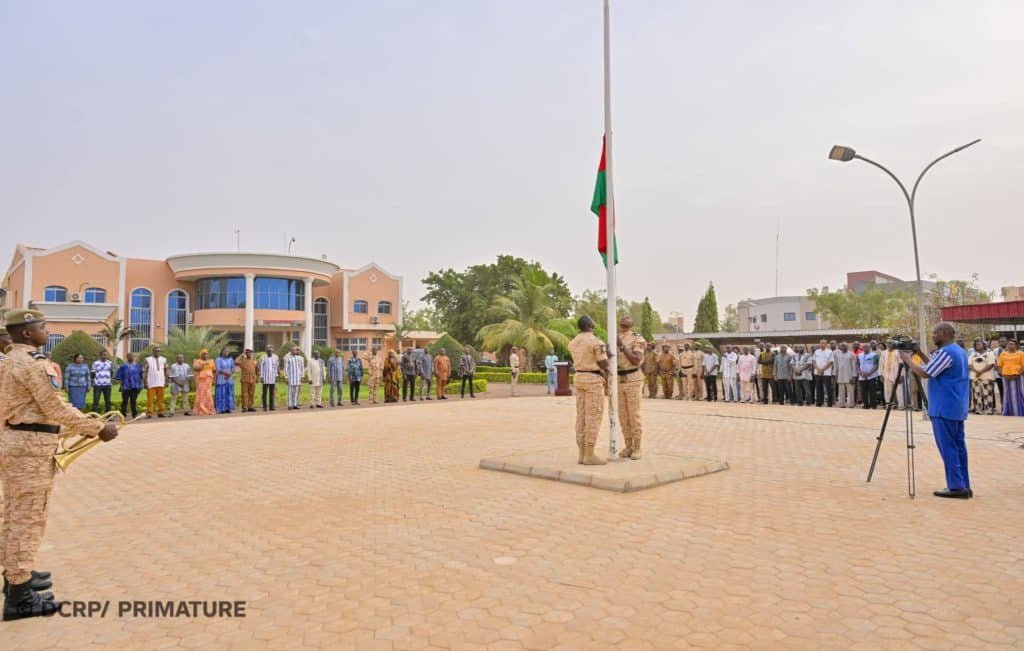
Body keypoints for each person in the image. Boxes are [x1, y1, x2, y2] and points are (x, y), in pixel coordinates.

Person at [0, 309, 119, 620]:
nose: (47, 330)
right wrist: (97, 428)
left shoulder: (10, 360)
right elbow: (55, 407)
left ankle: (16, 579)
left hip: (17, 443)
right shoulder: (32, 364)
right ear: (27, 332)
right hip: (30, 451)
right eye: (42, 326)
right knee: (28, 519)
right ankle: (19, 597)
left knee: (14, 515)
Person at [899, 322, 971, 499]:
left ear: (944, 333)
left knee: (948, 447)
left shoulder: (946, 352)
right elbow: (936, 367)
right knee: (958, 447)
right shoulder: (958, 351)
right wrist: (920, 354)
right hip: (956, 405)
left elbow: (926, 373)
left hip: (943, 407)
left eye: (935, 333)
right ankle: (964, 484)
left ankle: (956, 487)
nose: (933, 337)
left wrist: (908, 360)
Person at [568, 316, 609, 465]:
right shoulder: (596, 342)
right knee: (593, 416)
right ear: (590, 324)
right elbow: (603, 363)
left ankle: (582, 453)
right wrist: (609, 362)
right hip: (593, 379)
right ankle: (589, 454)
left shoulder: (573, 342)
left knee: (581, 416)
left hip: (579, 377)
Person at [615, 316, 646, 460]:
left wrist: (621, 346)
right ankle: (628, 446)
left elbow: (636, 359)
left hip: (633, 378)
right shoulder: (615, 337)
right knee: (623, 415)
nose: (625, 319)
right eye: (623, 318)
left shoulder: (637, 338)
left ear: (631, 324)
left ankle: (637, 447)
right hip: (619, 379)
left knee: (634, 414)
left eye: (628, 318)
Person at [996, 339, 1024, 417]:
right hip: (1006, 377)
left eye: (1012, 344)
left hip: (1018, 377)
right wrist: (1002, 374)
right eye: (1009, 344)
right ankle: (1008, 411)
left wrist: (1017, 375)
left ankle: (1019, 411)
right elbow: (999, 365)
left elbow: (1023, 366)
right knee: (1007, 394)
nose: (1010, 345)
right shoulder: (1003, 354)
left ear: (1016, 345)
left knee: (1019, 393)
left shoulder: (1021, 354)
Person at [968, 339, 996, 416]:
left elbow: (990, 364)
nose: (978, 345)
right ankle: (978, 409)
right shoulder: (972, 354)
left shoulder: (989, 353)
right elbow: (970, 365)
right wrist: (976, 371)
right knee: (976, 394)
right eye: (976, 344)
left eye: (979, 344)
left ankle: (988, 409)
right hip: (975, 377)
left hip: (987, 377)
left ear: (984, 345)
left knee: (987, 394)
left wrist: (980, 372)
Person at [114, 352, 143, 418]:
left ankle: (134, 414)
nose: (131, 357)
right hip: (125, 386)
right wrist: (121, 385)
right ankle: (123, 414)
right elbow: (118, 376)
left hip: (134, 387)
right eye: (130, 356)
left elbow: (141, 375)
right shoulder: (123, 366)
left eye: (133, 356)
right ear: (127, 357)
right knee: (125, 401)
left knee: (133, 401)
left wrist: (140, 385)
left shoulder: (138, 366)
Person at [142, 345, 168, 418]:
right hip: (151, 383)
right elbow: (144, 371)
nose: (157, 352)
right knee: (150, 400)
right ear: (153, 352)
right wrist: (145, 382)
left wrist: (166, 381)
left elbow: (166, 370)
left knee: (161, 399)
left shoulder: (164, 359)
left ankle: (160, 412)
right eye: (156, 351)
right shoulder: (147, 359)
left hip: (161, 382)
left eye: (159, 351)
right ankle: (149, 413)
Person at [834, 343, 859, 408]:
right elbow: (836, 365)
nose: (843, 347)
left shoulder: (852, 354)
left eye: (844, 346)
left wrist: (854, 376)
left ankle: (851, 404)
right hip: (840, 375)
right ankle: (842, 404)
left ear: (847, 347)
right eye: (842, 346)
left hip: (849, 375)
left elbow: (854, 366)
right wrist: (835, 375)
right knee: (841, 391)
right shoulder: (837, 355)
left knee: (850, 391)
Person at [192, 349, 215, 416]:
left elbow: (214, 371)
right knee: (201, 394)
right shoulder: (197, 361)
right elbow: (195, 368)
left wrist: (214, 380)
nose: (205, 355)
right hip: (201, 381)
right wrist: (203, 364)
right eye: (204, 354)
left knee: (208, 394)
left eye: (206, 354)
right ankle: (201, 410)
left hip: (209, 380)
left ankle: (209, 409)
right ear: (201, 355)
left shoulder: (211, 361)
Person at [812, 339, 834, 407]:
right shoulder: (816, 351)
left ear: (826, 344)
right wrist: (818, 369)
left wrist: (822, 370)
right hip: (817, 372)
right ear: (819, 344)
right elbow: (814, 361)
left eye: (824, 343)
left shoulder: (830, 352)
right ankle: (819, 403)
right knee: (818, 388)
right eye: (821, 343)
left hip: (826, 373)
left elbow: (830, 362)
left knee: (828, 388)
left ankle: (829, 404)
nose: (822, 344)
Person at [214, 347, 236, 414]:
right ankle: (221, 409)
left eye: (227, 351)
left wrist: (229, 374)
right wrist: (226, 373)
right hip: (221, 379)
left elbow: (233, 368)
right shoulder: (218, 359)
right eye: (225, 351)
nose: (226, 352)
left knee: (229, 394)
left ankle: (228, 408)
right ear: (222, 352)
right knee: (221, 394)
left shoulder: (231, 359)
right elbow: (218, 369)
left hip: (229, 380)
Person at [259, 345, 280, 411]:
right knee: (264, 393)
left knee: (272, 393)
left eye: (271, 351)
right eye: (268, 351)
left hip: (272, 378)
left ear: (272, 351)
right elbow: (261, 368)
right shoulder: (263, 357)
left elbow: (275, 367)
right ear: (266, 351)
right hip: (265, 378)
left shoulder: (274, 358)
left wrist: (276, 376)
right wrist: (261, 376)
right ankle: (264, 407)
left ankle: (271, 407)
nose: (270, 352)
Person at [237, 348, 258, 413]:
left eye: (250, 353)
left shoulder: (254, 361)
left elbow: (257, 369)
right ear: (245, 354)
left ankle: (250, 406)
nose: (249, 354)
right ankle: (245, 407)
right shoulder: (243, 360)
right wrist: (241, 355)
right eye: (247, 353)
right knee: (244, 394)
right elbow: (236, 362)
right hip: (245, 380)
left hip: (252, 379)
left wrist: (257, 377)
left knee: (251, 393)